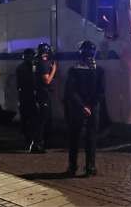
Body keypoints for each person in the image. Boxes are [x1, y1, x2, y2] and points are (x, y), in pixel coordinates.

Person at [64, 40, 104, 177]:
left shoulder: (73, 70)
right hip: (93, 109)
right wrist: (91, 106)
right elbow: (100, 92)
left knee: (74, 138)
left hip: (77, 108)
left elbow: (70, 91)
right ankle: (90, 167)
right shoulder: (99, 70)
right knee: (91, 138)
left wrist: (82, 106)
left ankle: (72, 166)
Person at [31, 43, 57, 153]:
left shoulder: (36, 61)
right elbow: (47, 80)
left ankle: (41, 142)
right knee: (42, 119)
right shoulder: (43, 63)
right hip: (43, 94)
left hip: (40, 93)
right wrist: (54, 70)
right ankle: (37, 144)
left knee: (43, 118)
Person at [16, 48, 36, 150]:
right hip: (29, 96)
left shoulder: (20, 67)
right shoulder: (29, 67)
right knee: (31, 119)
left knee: (25, 119)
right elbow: (32, 81)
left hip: (23, 96)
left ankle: (27, 140)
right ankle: (29, 140)